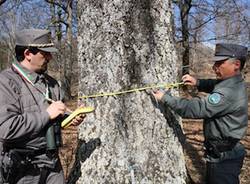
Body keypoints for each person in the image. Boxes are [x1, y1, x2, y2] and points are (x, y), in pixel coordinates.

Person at [152, 43, 248, 184]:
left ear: (236, 64)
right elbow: (215, 85)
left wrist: (165, 98)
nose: (215, 66)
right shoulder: (232, 83)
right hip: (223, 154)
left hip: (224, 159)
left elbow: (195, 109)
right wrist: (198, 82)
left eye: (220, 63)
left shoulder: (228, 92)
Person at [0, 28, 84, 184]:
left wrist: (70, 118)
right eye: (45, 53)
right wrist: (47, 115)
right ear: (28, 54)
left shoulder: (51, 84)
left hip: (53, 165)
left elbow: (54, 118)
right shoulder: (5, 82)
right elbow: (6, 128)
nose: (50, 57)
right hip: (22, 170)